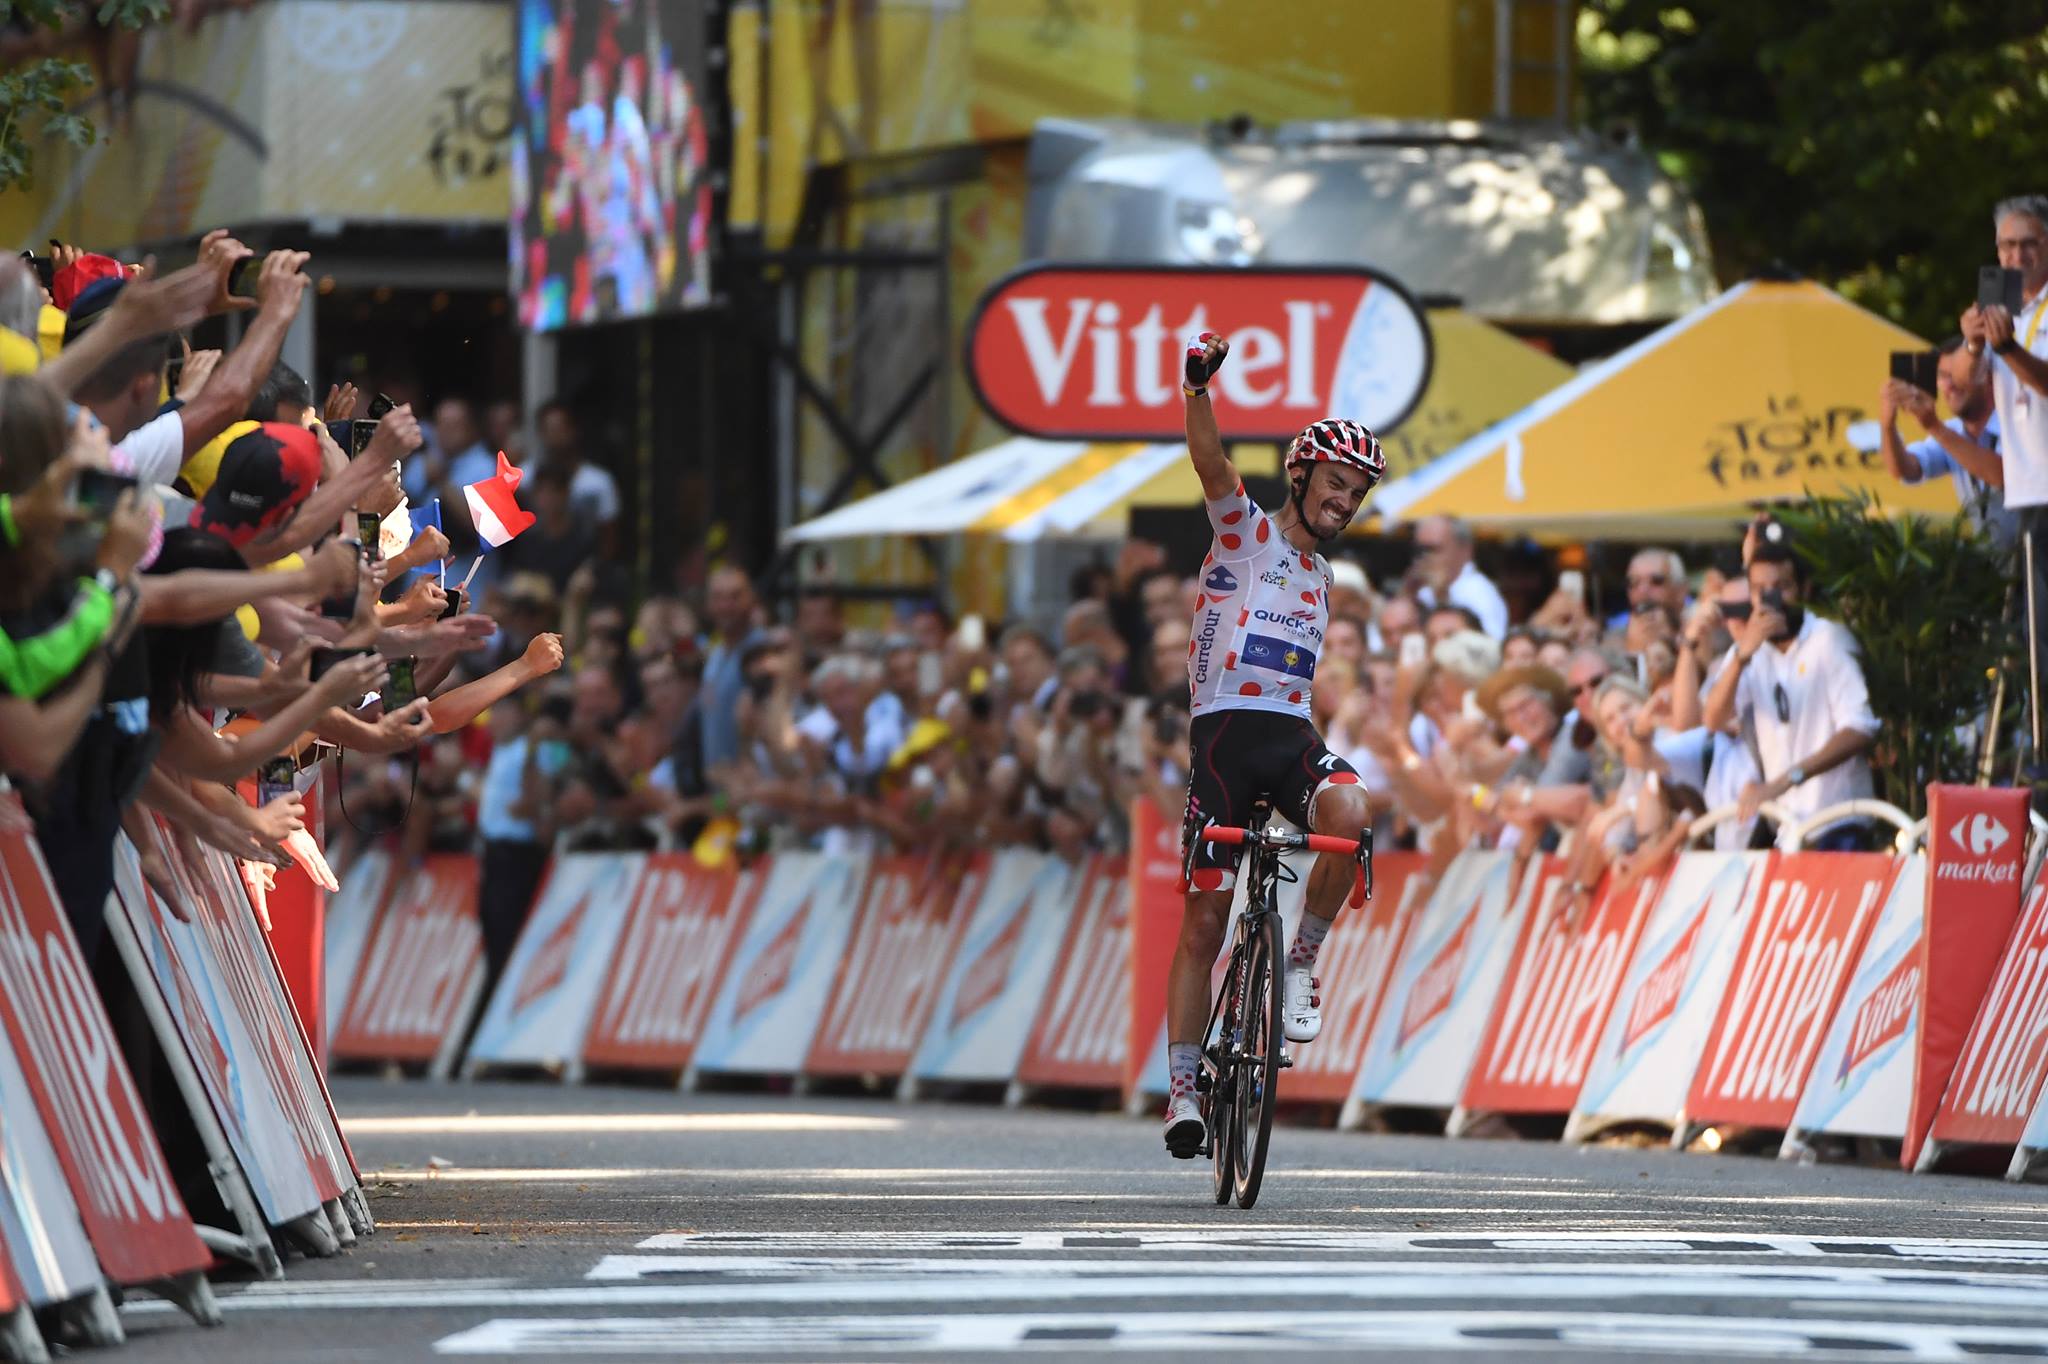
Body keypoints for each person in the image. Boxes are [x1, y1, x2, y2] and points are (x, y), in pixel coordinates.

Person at [1164, 331, 1377, 1159]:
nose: (1345, 500)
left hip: (1289, 738)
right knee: (1203, 922)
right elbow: (1212, 466)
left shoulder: (1328, 578)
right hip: (1222, 737)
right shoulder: (1248, 534)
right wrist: (1196, 392)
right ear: (1302, 475)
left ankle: (1301, 961)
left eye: (1358, 493)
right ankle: (1184, 1088)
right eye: (1336, 483)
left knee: (1354, 809)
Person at [1703, 519, 1878, 849]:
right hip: (1790, 832)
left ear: (1804, 588)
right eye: (1759, 590)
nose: (1771, 599)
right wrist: (1742, 657)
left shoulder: (1828, 638)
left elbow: (1860, 727)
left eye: (1782, 586)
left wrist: (1788, 779)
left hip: (1841, 822)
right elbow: (1712, 719)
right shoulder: (1748, 649)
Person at [1963, 194, 2048, 750]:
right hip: (2022, 491)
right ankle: (2032, 752)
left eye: (2029, 244)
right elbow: (1967, 402)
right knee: (2030, 642)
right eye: (2006, 245)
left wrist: (2008, 347)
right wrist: (1974, 345)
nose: (2016, 255)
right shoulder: (2004, 311)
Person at [1879, 337, 2013, 549]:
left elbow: (2001, 474)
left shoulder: (2018, 424)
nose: (1949, 386)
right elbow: (1904, 470)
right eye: (1942, 376)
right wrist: (1887, 426)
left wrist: (1934, 426)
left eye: (1957, 375)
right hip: (1995, 568)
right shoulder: (1952, 432)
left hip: (2037, 563)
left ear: (1987, 376)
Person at [534, 399, 620, 544]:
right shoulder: (524, 478)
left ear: (574, 430)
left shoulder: (599, 482)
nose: (555, 437)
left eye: (560, 429)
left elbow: (609, 536)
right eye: (549, 430)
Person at [1411, 514, 1507, 639]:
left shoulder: (1478, 592)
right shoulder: (1423, 591)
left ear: (1465, 550)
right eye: (1419, 550)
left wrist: (1442, 597)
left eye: (1433, 549)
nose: (1425, 557)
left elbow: (1490, 646)